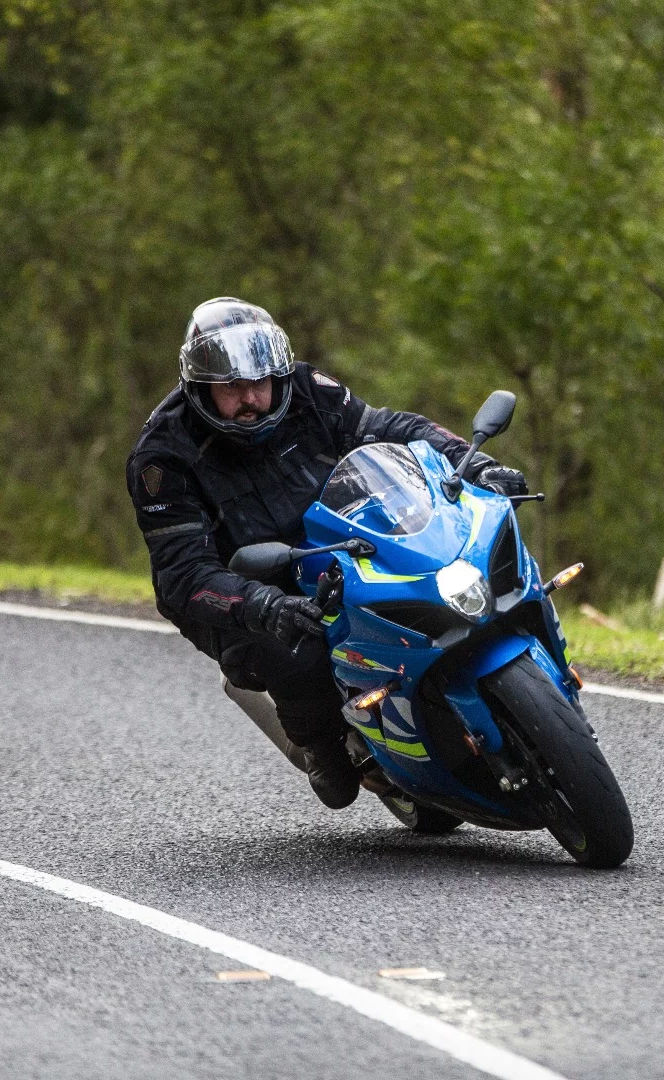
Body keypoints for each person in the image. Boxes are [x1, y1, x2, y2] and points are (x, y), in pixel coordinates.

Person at [126, 298, 527, 810]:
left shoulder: (306, 391)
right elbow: (184, 574)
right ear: (200, 387)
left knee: (433, 582)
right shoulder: (162, 456)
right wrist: (261, 605)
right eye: (232, 388)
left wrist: (475, 466)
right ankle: (324, 746)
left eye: (261, 382)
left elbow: (387, 428)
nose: (251, 398)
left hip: (332, 540)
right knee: (297, 649)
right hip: (236, 587)